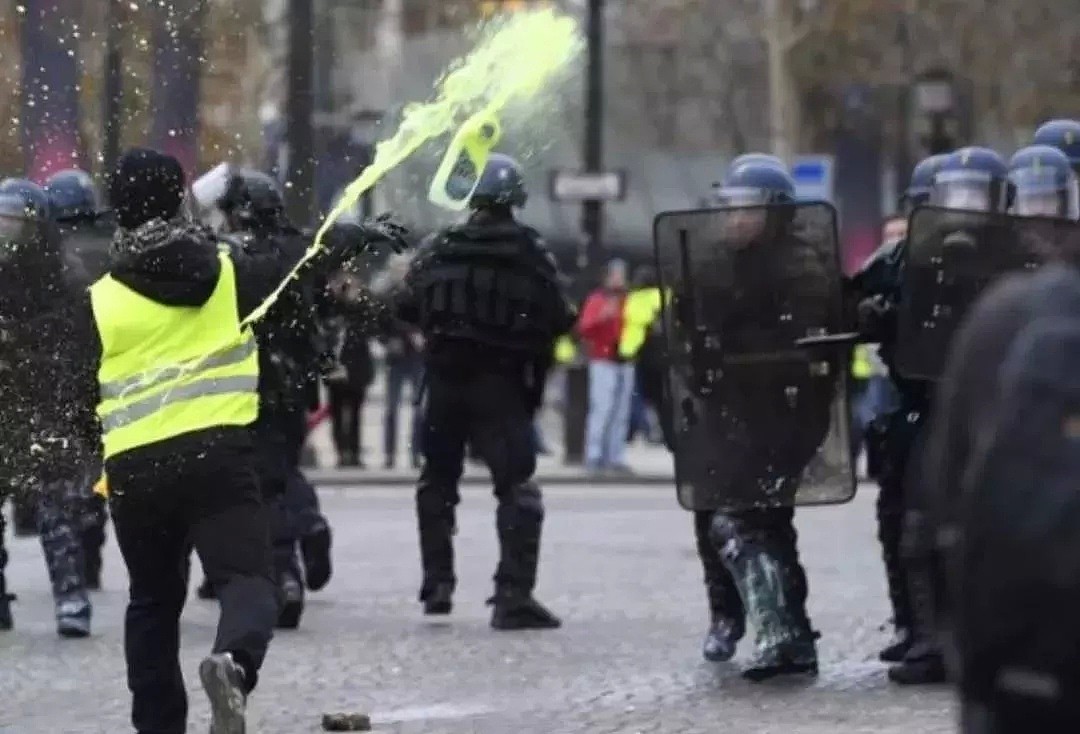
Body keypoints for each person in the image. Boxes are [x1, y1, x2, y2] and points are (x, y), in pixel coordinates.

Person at [80, 148, 406, 733]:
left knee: (151, 603)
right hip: (218, 458)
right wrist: (353, 234)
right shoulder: (229, 273)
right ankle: (234, 661)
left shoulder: (101, 298)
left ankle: (157, 727)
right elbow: (297, 260)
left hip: (135, 469)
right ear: (180, 200)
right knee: (249, 581)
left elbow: (76, 392)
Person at [388, 152, 576, 629]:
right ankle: (512, 595)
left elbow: (406, 304)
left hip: (445, 384)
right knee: (517, 489)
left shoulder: (440, 247)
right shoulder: (530, 253)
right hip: (502, 387)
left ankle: (438, 586)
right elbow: (560, 317)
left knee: (437, 483)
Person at [677, 158, 828, 679]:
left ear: (776, 213)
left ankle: (782, 637)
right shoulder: (711, 263)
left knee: (743, 522)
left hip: (783, 414)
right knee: (737, 520)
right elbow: (684, 335)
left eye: (747, 207)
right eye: (730, 206)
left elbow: (811, 342)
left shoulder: (802, 267)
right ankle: (771, 626)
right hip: (728, 411)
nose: (734, 218)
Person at [190, 164, 339, 629]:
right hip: (291, 385)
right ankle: (306, 524)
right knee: (281, 471)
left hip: (250, 386)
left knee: (259, 485)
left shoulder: (238, 258)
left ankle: (285, 577)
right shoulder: (298, 249)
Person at [0, 178, 99, 638]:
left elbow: (76, 337)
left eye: (13, 225)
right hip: (12, 401)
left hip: (42, 401)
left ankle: (71, 598)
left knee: (54, 508)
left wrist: (23, 342)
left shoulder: (64, 272)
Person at [44, 168, 112, 590]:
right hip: (109, 370)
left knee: (64, 468)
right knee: (96, 465)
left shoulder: (47, 253)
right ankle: (92, 541)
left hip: (60, 372)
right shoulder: (110, 246)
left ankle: (73, 535)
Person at [578, 258, 633, 473]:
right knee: (602, 408)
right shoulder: (598, 299)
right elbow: (585, 327)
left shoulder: (628, 299)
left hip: (624, 359)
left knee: (621, 411)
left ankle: (615, 455)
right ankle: (594, 454)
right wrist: (603, 316)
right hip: (603, 359)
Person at [371, 253, 425, 469]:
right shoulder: (386, 296)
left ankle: (415, 453)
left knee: (418, 408)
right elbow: (379, 325)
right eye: (396, 268)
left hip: (415, 356)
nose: (400, 272)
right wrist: (387, 341)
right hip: (396, 357)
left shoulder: (417, 294)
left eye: (403, 268)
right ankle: (389, 454)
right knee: (392, 408)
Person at [325, 268, 375, 468]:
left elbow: (374, 325)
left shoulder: (363, 303)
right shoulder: (330, 302)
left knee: (355, 413)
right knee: (336, 412)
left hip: (357, 366)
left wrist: (358, 300)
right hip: (336, 365)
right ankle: (341, 452)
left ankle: (353, 452)